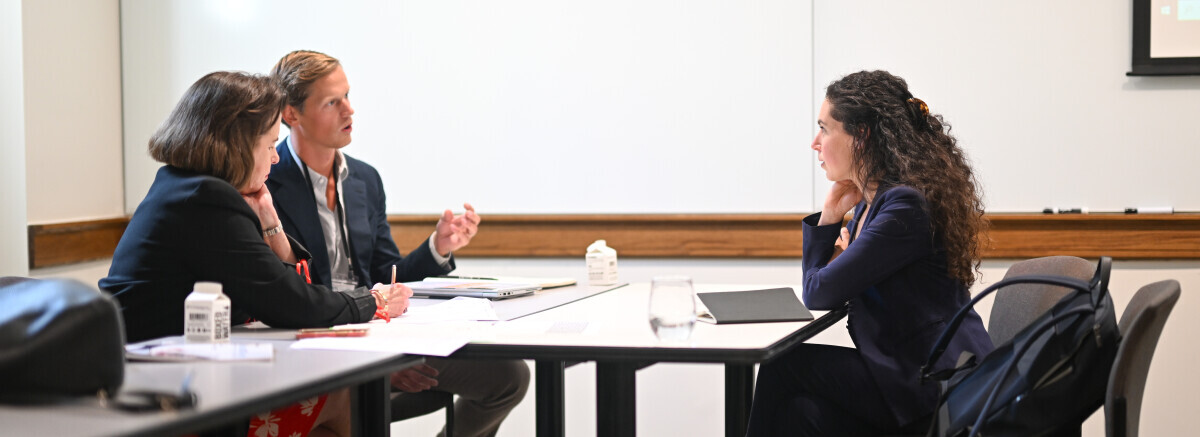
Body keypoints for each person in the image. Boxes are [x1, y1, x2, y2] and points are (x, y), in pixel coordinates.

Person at [100, 71, 410, 437]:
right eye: (270, 145)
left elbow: (289, 288)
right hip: (163, 399)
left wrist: (271, 222)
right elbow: (292, 303)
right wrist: (373, 301)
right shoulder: (206, 200)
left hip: (167, 377)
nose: (275, 158)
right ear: (239, 145)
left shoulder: (185, 186)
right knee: (349, 394)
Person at [267, 50, 529, 437]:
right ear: (291, 114)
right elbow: (286, 299)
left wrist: (438, 247)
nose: (349, 110)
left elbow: (387, 275)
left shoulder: (365, 179)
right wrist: (379, 362)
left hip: (378, 332)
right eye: (332, 102)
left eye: (347, 96)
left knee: (508, 376)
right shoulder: (266, 181)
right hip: (318, 347)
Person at [745, 70, 995, 436]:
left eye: (824, 129)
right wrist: (834, 221)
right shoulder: (870, 205)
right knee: (802, 413)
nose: (815, 143)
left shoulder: (905, 206)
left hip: (936, 385)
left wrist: (829, 218)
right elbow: (824, 286)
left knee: (782, 365)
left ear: (860, 136)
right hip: (904, 372)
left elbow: (818, 292)